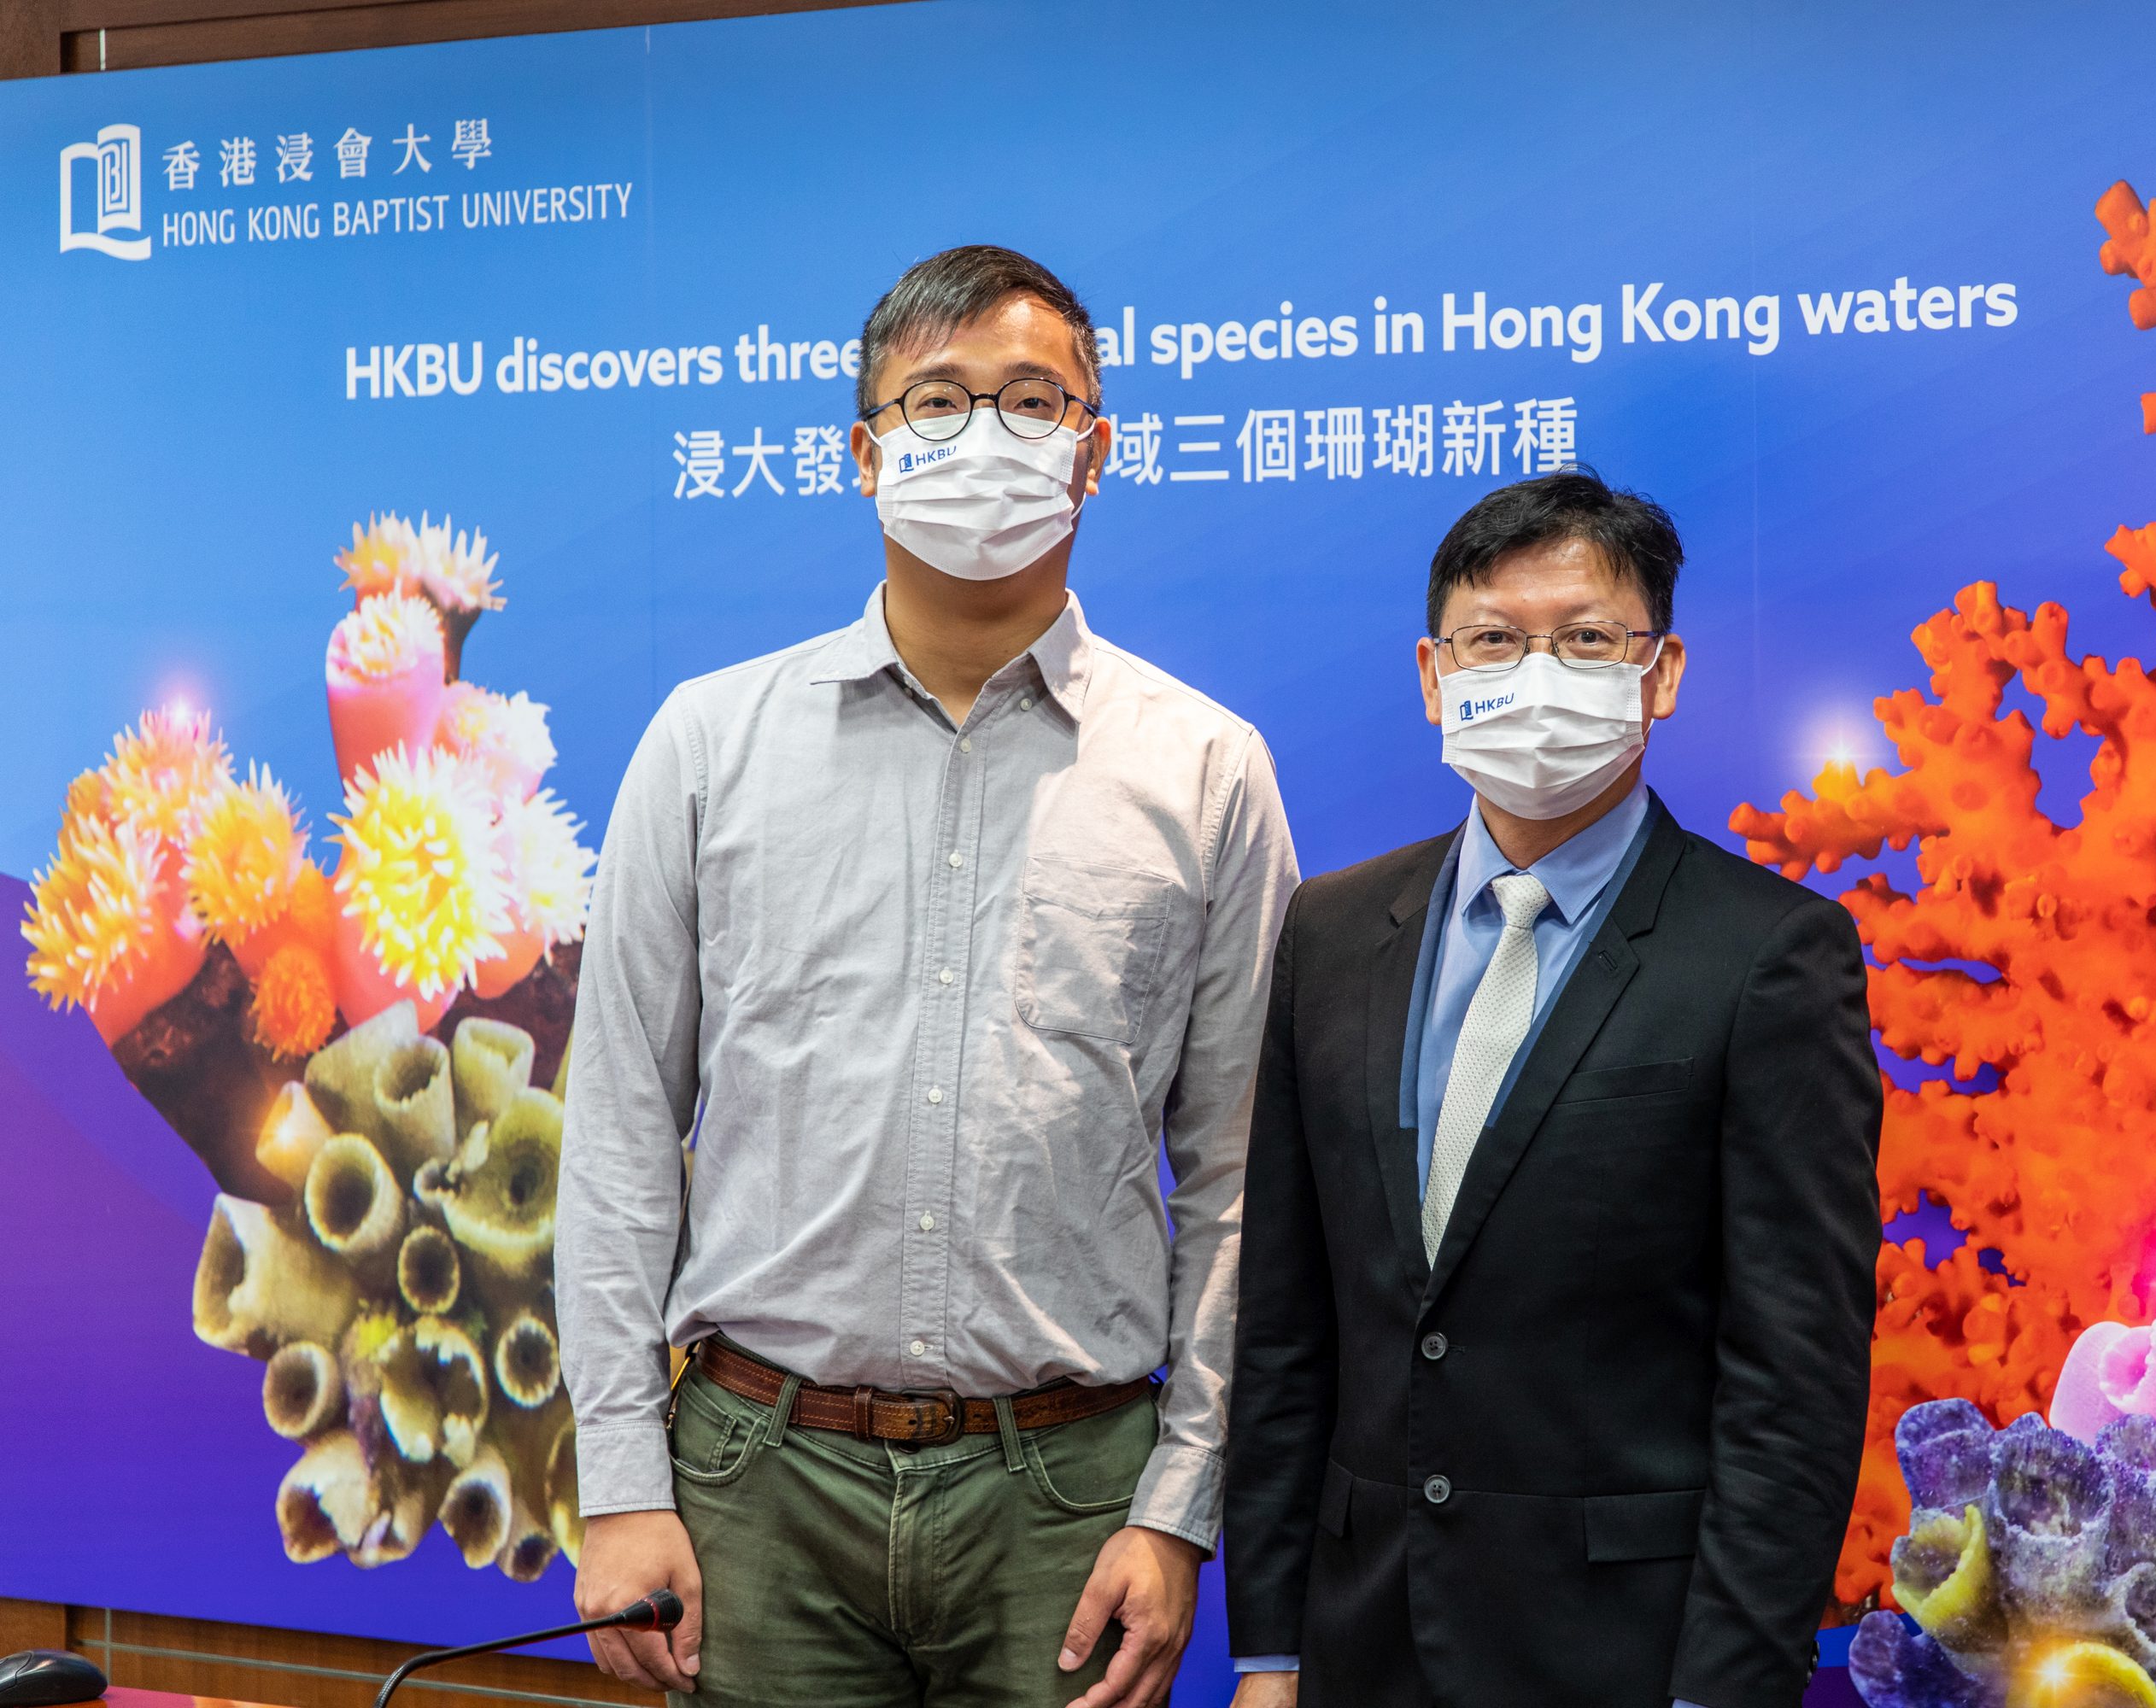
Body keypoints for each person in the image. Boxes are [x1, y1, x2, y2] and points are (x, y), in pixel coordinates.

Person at [557, 245, 1298, 1708]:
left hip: (1070, 1489)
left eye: (1033, 401)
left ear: (1093, 454)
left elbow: (1237, 1184)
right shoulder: (709, 746)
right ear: (864, 452)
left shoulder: (1205, 767)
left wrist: (1177, 1507)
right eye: (938, 400)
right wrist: (620, 1478)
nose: (985, 438)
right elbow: (624, 1137)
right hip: (755, 1477)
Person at [1222, 468, 1881, 1708]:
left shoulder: (1768, 954)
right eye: (1493, 640)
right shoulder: (1332, 930)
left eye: (1585, 640)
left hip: (1627, 1651)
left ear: (1661, 673)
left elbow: (1794, 1371)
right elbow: (1288, 1324)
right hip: (1362, 1641)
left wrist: (1725, 1686)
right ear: (1433, 675)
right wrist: (1268, 1648)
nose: (1534, 677)